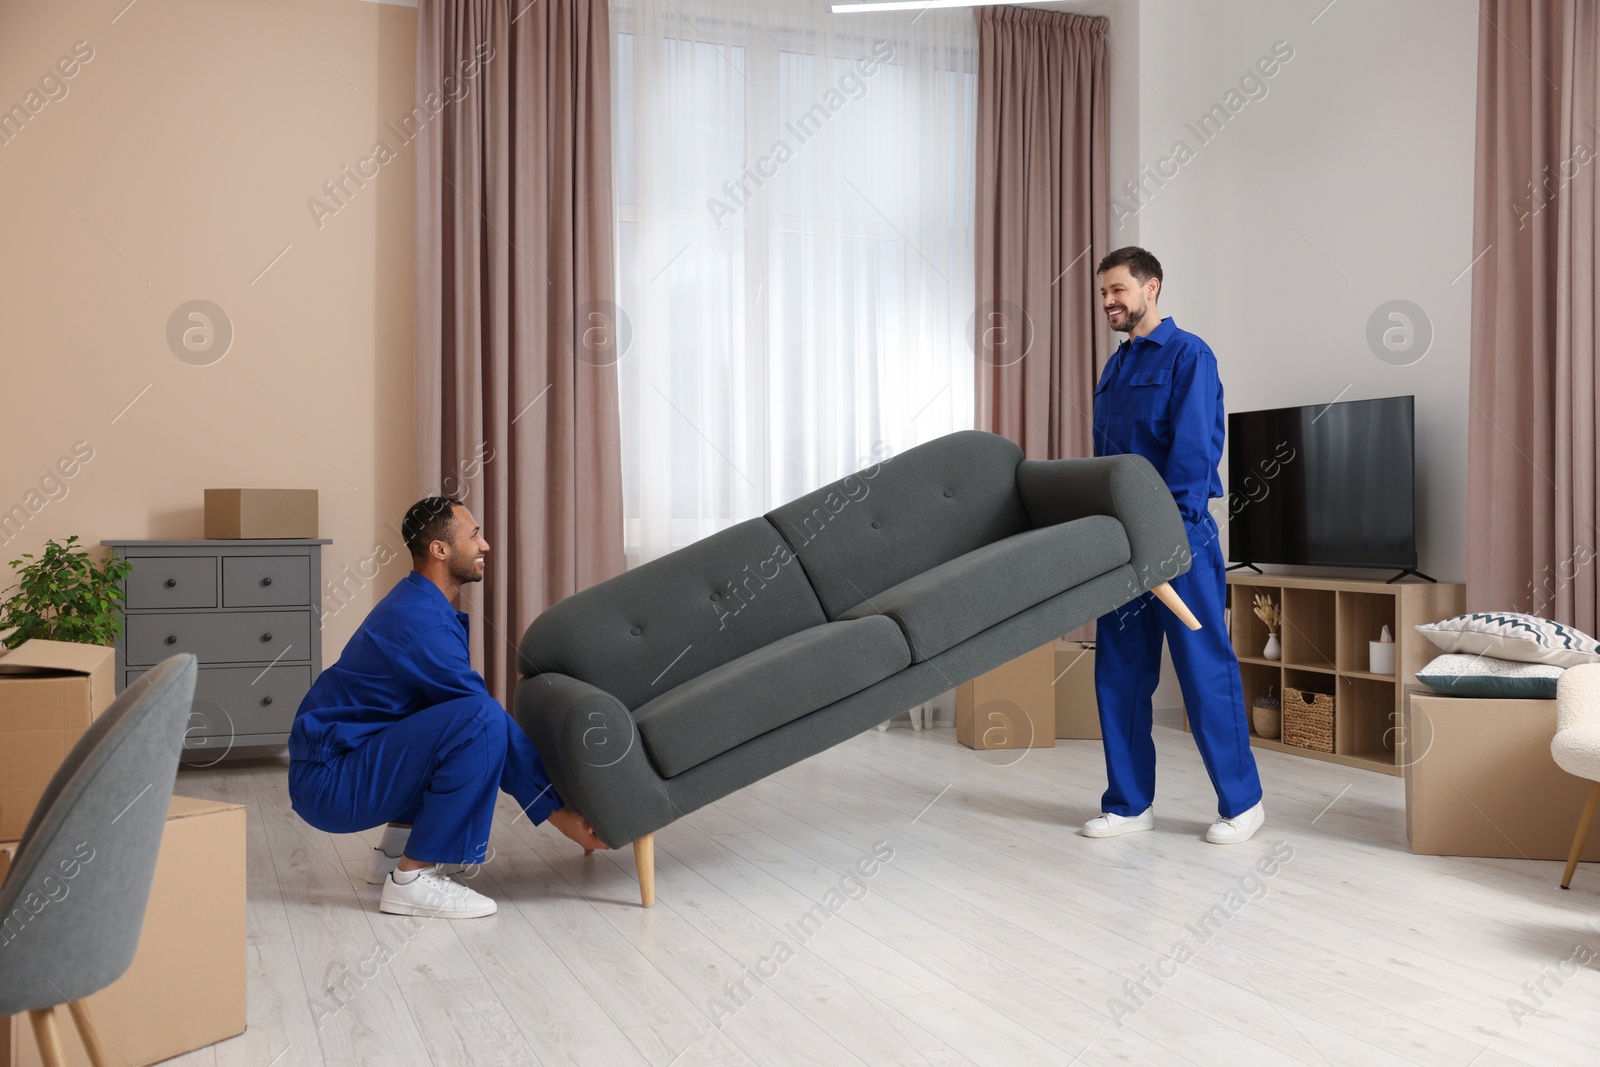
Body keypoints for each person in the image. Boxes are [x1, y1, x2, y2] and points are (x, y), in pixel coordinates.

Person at [288, 496, 607, 918]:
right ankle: (412, 880)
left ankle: (394, 853)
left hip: (333, 772)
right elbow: (481, 718)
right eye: (474, 535)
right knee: (479, 719)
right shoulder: (423, 622)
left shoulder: (418, 602)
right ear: (439, 550)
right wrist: (558, 814)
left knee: (450, 717)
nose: (485, 545)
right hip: (332, 784)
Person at [1081, 247, 1266, 844]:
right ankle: (1129, 804)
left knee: (1203, 668)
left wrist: (1173, 535)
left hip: (1179, 540)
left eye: (1118, 290)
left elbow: (1193, 452)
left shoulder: (1190, 356)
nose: (1109, 301)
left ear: (1151, 288)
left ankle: (1243, 802)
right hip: (1121, 545)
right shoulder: (1113, 369)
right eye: (1103, 292)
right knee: (1120, 674)